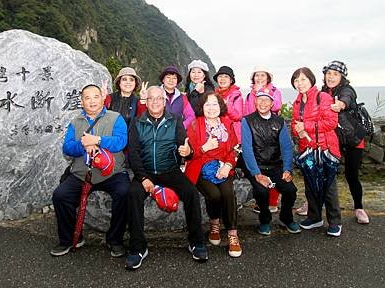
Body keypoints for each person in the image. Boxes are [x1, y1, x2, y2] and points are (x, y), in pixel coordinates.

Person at [125, 86, 208, 270]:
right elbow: (134, 154)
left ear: (165, 101)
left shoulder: (175, 120)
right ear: (146, 101)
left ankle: (196, 242)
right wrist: (142, 178)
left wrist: (188, 151)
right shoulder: (137, 123)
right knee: (132, 194)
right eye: (151, 98)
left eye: (159, 98)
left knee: (191, 193)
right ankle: (138, 247)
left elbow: (185, 147)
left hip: (170, 170)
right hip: (145, 172)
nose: (155, 102)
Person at [51, 84, 130, 257]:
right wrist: (83, 145)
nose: (92, 101)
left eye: (95, 96)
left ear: (103, 98)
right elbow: (67, 148)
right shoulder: (76, 122)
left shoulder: (115, 118)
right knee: (60, 195)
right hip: (82, 172)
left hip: (112, 172)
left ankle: (115, 239)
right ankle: (70, 238)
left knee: (125, 193)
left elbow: (121, 141)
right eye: (87, 98)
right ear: (82, 101)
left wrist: (98, 140)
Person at [184, 92, 242, 257]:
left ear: (220, 106)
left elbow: (233, 149)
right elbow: (189, 154)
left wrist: (228, 165)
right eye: (207, 104)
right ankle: (214, 222)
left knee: (228, 192)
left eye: (214, 104)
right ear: (202, 107)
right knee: (214, 194)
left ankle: (232, 234)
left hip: (223, 167)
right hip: (201, 169)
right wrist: (205, 148)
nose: (211, 108)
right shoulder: (195, 125)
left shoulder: (227, 123)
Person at [290, 67, 343, 237]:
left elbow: (331, 123)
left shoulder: (323, 97)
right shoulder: (297, 102)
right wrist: (296, 129)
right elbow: (294, 124)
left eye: (303, 79)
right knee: (311, 185)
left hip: (325, 148)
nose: (300, 83)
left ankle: (334, 221)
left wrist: (305, 127)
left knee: (328, 186)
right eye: (296, 80)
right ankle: (314, 217)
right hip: (307, 149)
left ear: (311, 80)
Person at [240, 91, 300, 236]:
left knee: (290, 190)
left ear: (272, 104)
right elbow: (247, 149)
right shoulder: (247, 121)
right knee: (261, 191)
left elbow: (286, 147)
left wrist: (287, 169)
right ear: (255, 101)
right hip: (256, 165)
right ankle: (265, 220)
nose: (263, 103)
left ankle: (286, 217)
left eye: (267, 100)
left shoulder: (279, 121)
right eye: (260, 99)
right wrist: (257, 174)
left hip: (275, 165)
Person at [322, 60, 370, 224]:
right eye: (329, 73)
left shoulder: (347, 90)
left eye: (335, 74)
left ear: (342, 77)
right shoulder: (323, 92)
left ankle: (359, 208)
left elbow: (347, 99)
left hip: (353, 139)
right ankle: (313, 204)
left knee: (352, 175)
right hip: (334, 138)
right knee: (324, 172)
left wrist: (340, 104)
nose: (331, 76)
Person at [243, 66, 282, 214]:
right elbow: (247, 112)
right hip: (254, 133)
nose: (259, 78)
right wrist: (254, 93)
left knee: (273, 166)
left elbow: (276, 105)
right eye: (256, 75)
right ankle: (262, 201)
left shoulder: (275, 91)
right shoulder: (249, 95)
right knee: (259, 167)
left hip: (271, 133)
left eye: (262, 75)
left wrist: (265, 93)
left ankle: (272, 202)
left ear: (268, 78)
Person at [213, 65, 243, 143]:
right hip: (218, 133)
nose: (222, 79)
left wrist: (227, 105)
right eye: (220, 76)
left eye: (226, 76)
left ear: (231, 80)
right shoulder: (214, 95)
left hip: (233, 133)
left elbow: (238, 116)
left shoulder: (236, 95)